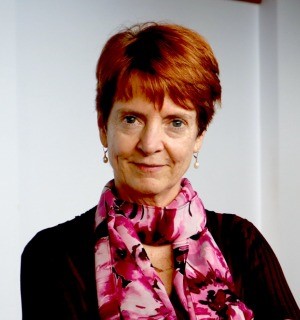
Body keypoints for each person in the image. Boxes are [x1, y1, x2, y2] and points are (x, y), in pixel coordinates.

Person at [20, 22, 299, 320]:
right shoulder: (51, 255)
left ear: (199, 136)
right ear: (104, 127)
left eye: (175, 123)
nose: (150, 144)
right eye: (131, 119)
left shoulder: (243, 241)